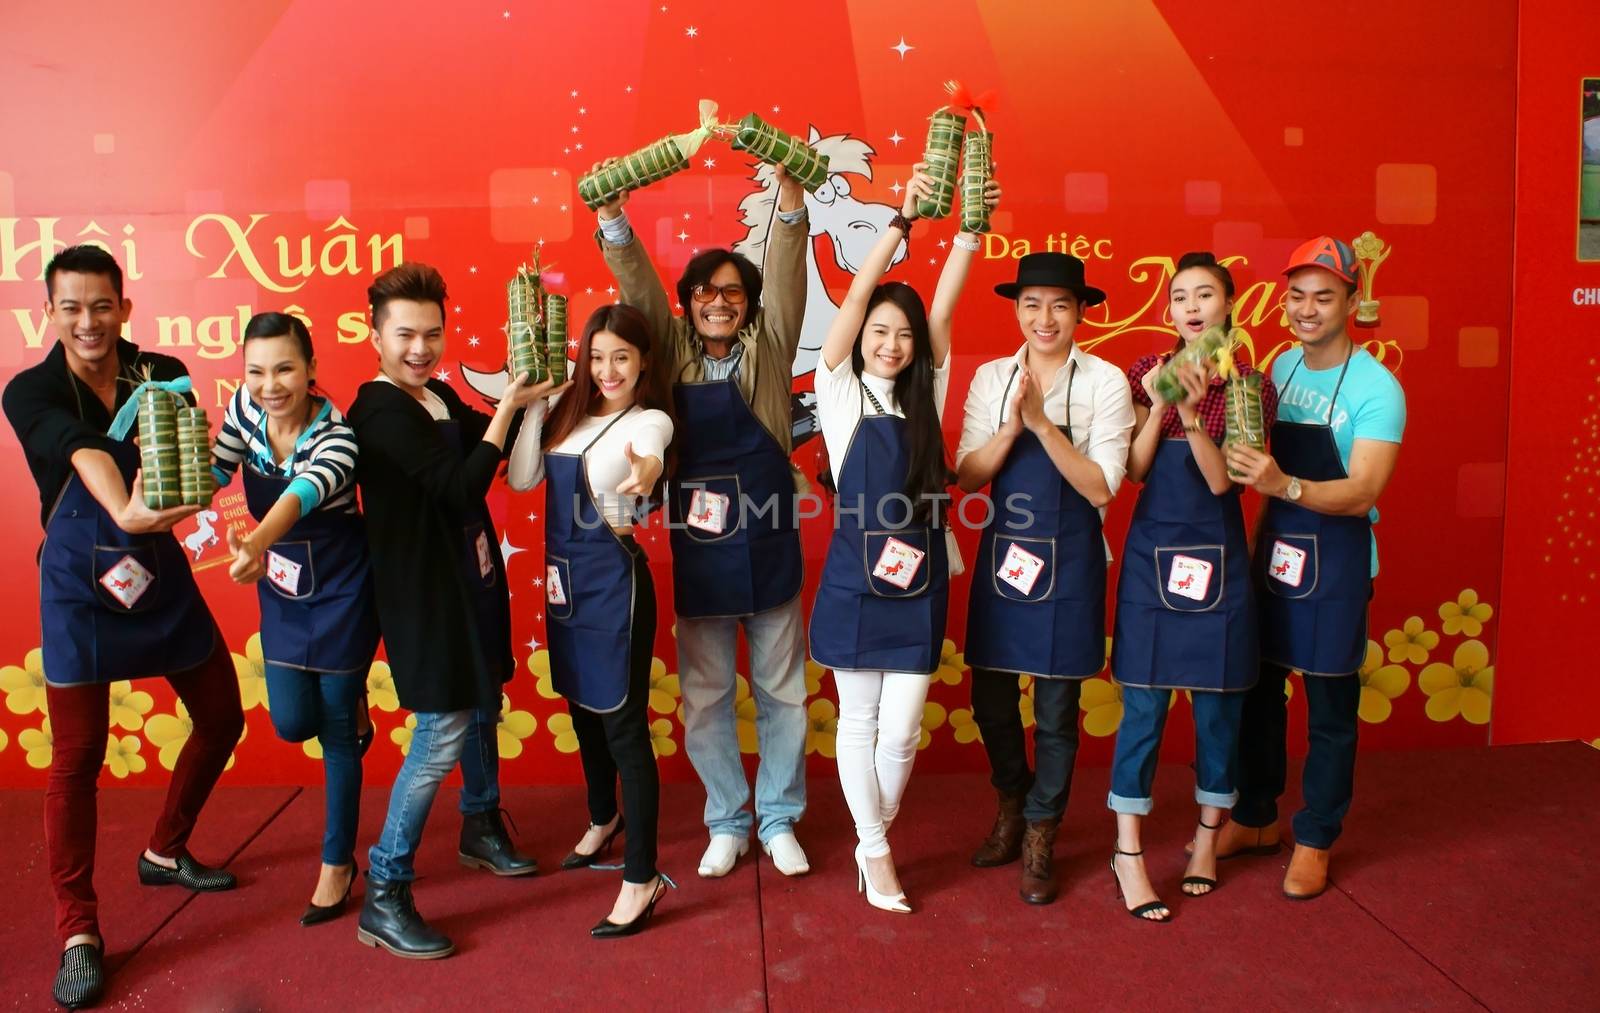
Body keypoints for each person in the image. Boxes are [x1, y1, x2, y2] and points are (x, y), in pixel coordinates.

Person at [2, 245, 245, 1009]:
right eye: (70, 307)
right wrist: (125, 507)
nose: (87, 322)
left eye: (101, 305)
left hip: (156, 565)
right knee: (76, 759)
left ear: (125, 308)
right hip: (77, 581)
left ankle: (165, 850)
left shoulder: (158, 370)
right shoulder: (30, 388)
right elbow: (78, 451)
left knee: (223, 714)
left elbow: (185, 460)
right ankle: (78, 928)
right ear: (49, 313)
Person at [592, 161, 813, 878]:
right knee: (708, 697)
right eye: (705, 292)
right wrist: (614, 221)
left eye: (733, 292)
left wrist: (789, 202)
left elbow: (785, 277)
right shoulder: (674, 350)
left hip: (772, 541)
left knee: (782, 692)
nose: (719, 302)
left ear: (749, 303)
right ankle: (727, 818)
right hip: (703, 549)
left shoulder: (771, 347)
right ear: (686, 304)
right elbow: (638, 289)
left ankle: (778, 818)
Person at [345, 263, 552, 958]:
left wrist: (534, 392)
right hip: (423, 595)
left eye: (432, 333)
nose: (421, 348)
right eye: (405, 334)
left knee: (485, 699)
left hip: (473, 577)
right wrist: (507, 408)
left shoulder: (432, 396)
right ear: (374, 333)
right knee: (441, 731)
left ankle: (480, 823)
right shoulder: (378, 409)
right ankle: (385, 888)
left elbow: (491, 440)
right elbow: (461, 486)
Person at [810, 167, 997, 913]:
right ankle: (879, 851)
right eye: (878, 332)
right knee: (859, 720)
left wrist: (971, 230)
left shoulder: (930, 390)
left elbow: (945, 302)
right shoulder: (839, 390)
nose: (889, 343)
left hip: (920, 581)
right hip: (856, 579)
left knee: (903, 729)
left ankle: (867, 836)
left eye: (903, 335)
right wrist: (903, 221)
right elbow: (856, 297)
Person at [1224, 237, 1405, 900]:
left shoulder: (1377, 388)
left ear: (1351, 302)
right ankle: (1255, 816)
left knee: (1330, 707)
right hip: (1276, 553)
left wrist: (1285, 484)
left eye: (1323, 296)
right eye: (1297, 295)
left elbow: (1363, 490)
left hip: (1338, 562)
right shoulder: (1279, 369)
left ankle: (1316, 836)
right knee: (1259, 693)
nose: (1306, 308)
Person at [955, 251, 1135, 905]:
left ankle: (1039, 833)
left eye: (1060, 304)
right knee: (991, 702)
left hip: (1072, 560)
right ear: (1017, 310)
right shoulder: (991, 377)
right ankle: (1012, 799)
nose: (1045, 317)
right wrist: (1010, 427)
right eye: (1032, 304)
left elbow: (1101, 484)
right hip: (1006, 559)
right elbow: (970, 474)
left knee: (1057, 713)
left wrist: (1042, 426)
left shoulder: (1107, 381)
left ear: (1081, 311)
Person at [1106, 253, 1279, 921]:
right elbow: (1135, 470)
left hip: (1219, 564)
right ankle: (1129, 854)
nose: (1193, 306)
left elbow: (1219, 484)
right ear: (1168, 311)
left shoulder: (1250, 388)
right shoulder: (1140, 373)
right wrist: (1159, 404)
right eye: (1181, 296)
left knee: (1217, 713)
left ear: (1230, 304)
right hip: (1153, 562)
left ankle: (1208, 839)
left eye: (1206, 294)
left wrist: (1197, 416)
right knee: (1143, 712)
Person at [509, 303, 673, 937]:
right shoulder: (564, 417)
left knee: (624, 726)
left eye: (622, 357)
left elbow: (652, 455)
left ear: (642, 362)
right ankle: (604, 817)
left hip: (614, 588)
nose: (608, 370)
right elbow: (524, 480)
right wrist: (530, 406)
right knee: (580, 704)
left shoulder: (650, 419)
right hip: (561, 587)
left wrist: (648, 471)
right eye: (597, 357)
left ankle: (642, 877)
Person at [211, 311, 380, 926]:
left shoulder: (337, 436)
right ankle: (352, 705)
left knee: (335, 732)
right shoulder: (243, 408)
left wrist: (255, 542)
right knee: (289, 721)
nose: (269, 384)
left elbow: (301, 495)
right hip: (283, 591)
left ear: (311, 370)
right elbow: (213, 470)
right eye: (256, 370)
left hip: (340, 590)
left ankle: (338, 863)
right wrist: (163, 498)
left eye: (284, 368)